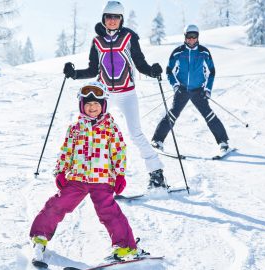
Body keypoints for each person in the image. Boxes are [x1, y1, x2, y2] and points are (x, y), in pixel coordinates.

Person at [29, 82, 147, 263]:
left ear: (103, 105)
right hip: (77, 178)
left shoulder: (110, 127)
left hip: (103, 179)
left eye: (96, 104)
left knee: (109, 212)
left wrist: (120, 174)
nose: (92, 108)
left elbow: (118, 151)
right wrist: (61, 171)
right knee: (57, 204)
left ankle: (125, 248)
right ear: (82, 106)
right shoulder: (75, 128)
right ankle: (39, 237)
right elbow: (67, 150)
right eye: (89, 104)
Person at [63, 1, 167, 189]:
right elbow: (92, 69)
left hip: (127, 93)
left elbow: (140, 63)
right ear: (104, 19)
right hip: (105, 96)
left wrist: (152, 71)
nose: (112, 21)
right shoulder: (97, 41)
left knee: (135, 134)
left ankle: (156, 173)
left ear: (121, 19)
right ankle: (90, 174)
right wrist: (74, 74)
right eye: (109, 17)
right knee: (93, 131)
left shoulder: (129, 37)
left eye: (116, 17)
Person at [151, 24, 229, 153]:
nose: (192, 39)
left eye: (194, 37)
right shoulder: (178, 52)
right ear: (185, 37)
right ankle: (157, 140)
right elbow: (169, 70)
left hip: (198, 90)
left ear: (198, 37)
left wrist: (208, 89)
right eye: (189, 36)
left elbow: (212, 71)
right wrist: (175, 85)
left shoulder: (203, 52)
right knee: (172, 115)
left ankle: (223, 142)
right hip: (182, 89)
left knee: (208, 115)